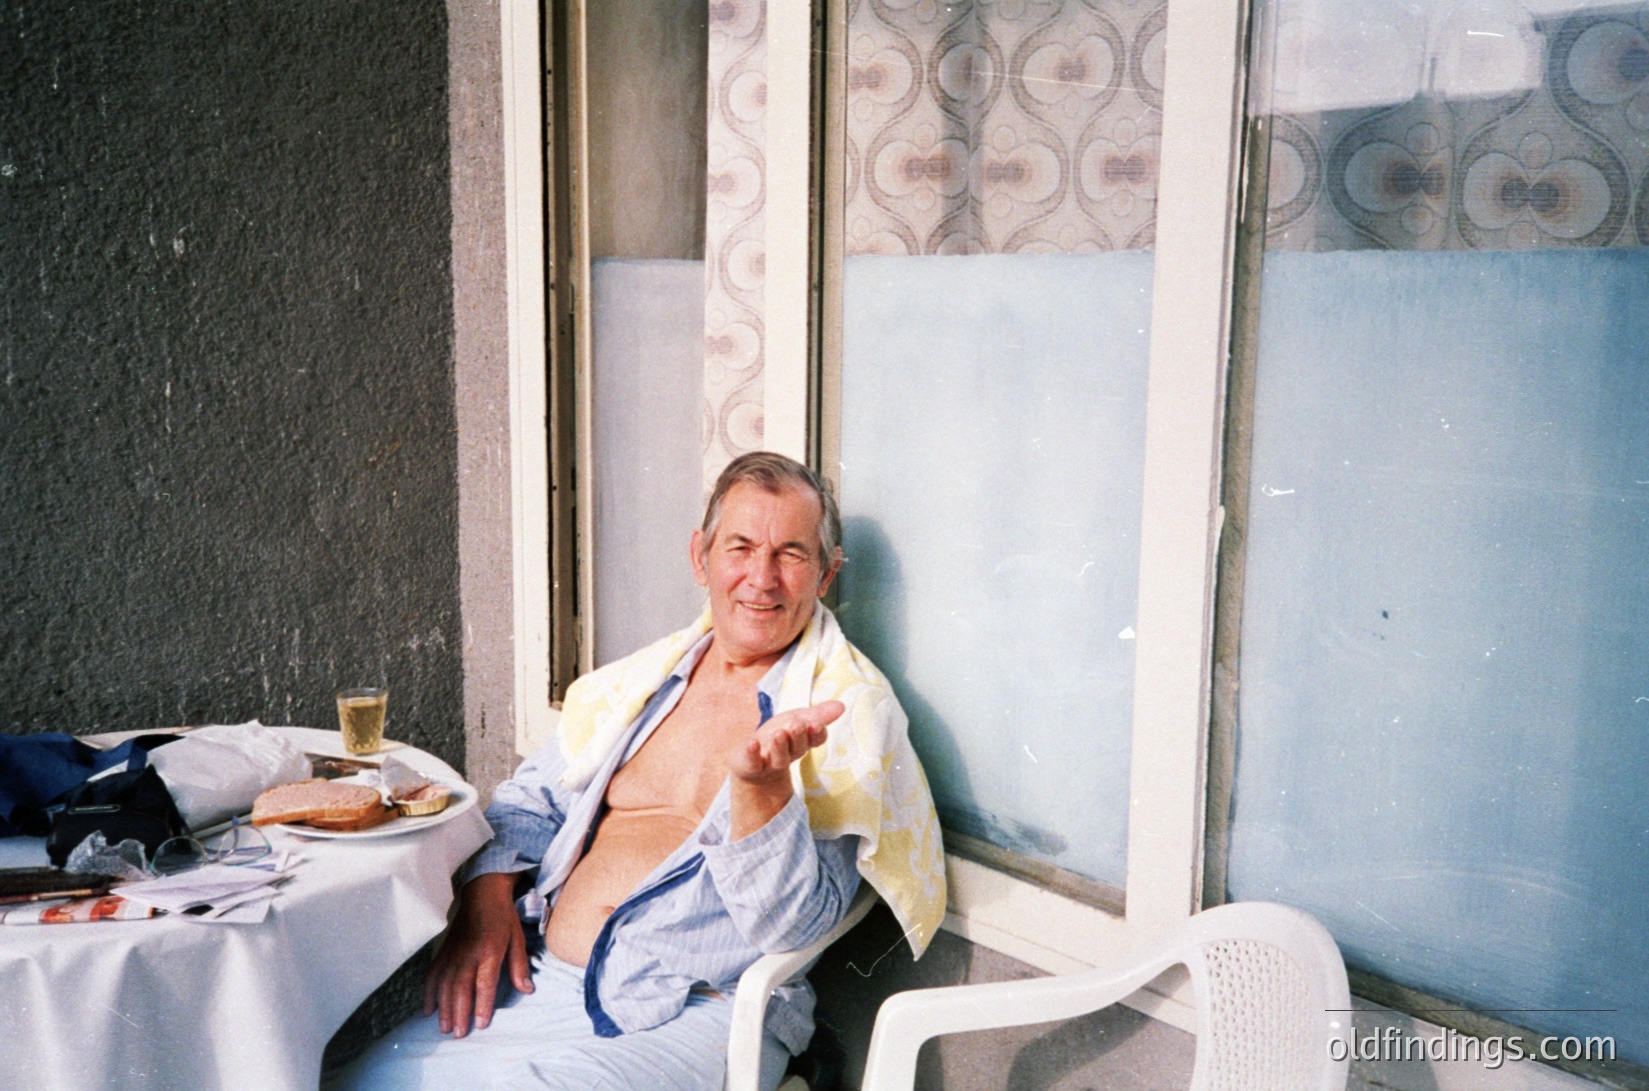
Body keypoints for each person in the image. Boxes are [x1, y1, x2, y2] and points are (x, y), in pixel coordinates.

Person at [330, 452, 945, 1091]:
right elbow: (528, 802)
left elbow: (797, 927)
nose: (761, 579)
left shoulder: (843, 713)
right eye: (740, 547)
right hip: (541, 981)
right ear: (699, 557)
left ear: (826, 576)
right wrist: (486, 903)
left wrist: (762, 796)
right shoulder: (641, 683)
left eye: (790, 554)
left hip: (697, 1008)